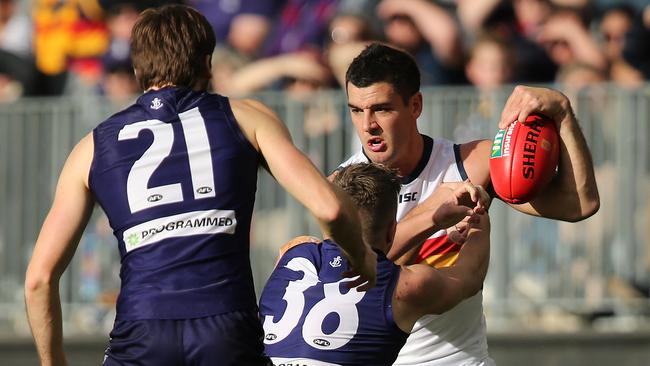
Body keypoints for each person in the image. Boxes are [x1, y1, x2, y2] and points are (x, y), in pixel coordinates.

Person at [24, 5, 376, 366]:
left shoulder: (90, 148)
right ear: (207, 63)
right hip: (225, 330)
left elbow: (39, 280)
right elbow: (329, 207)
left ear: (137, 69)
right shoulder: (246, 117)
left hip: (142, 331)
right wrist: (361, 257)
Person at [340, 43, 600, 365]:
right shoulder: (340, 187)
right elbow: (354, 274)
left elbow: (579, 204)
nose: (368, 126)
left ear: (415, 105)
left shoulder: (469, 163)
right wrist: (434, 215)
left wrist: (562, 112)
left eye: (382, 108)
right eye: (355, 110)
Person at [259, 162, 490, 366]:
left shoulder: (291, 252)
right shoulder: (407, 287)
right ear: (392, 230)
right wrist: (478, 215)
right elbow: (471, 274)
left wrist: (433, 219)